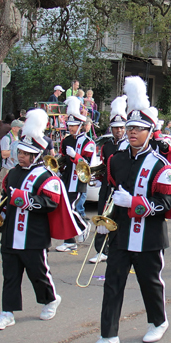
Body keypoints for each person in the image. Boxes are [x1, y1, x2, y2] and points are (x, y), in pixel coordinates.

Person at [85, 76, 171, 343]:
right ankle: (108, 335)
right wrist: (104, 220)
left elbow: (164, 205)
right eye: (129, 128)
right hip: (120, 231)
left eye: (139, 128)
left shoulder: (162, 165)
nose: (132, 133)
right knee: (113, 283)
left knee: (149, 282)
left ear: (151, 132)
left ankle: (159, 321)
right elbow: (112, 192)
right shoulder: (116, 160)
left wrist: (136, 203)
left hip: (149, 236)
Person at [0, 109, 85, 330]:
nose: (21, 156)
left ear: (36, 155)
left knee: (38, 273)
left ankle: (51, 299)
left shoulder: (47, 176)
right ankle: (7, 312)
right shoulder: (13, 173)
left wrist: (21, 198)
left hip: (34, 235)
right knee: (10, 275)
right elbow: (7, 196)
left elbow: (50, 203)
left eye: (25, 153)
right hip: (12, 232)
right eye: (20, 151)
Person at [90, 96, 128, 264]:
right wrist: (99, 176)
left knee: (120, 219)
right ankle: (101, 250)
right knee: (102, 217)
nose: (118, 131)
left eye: (121, 128)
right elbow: (105, 164)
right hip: (106, 187)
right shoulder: (107, 146)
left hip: (122, 188)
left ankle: (118, 249)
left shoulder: (129, 146)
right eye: (115, 128)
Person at [55, 97, 94, 252]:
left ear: (80, 126)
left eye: (73, 125)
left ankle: (83, 225)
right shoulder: (66, 141)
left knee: (70, 208)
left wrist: (76, 156)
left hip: (78, 181)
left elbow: (87, 164)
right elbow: (62, 158)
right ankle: (69, 241)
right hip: (66, 178)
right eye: (69, 125)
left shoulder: (88, 143)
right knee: (65, 209)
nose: (70, 128)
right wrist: (57, 167)